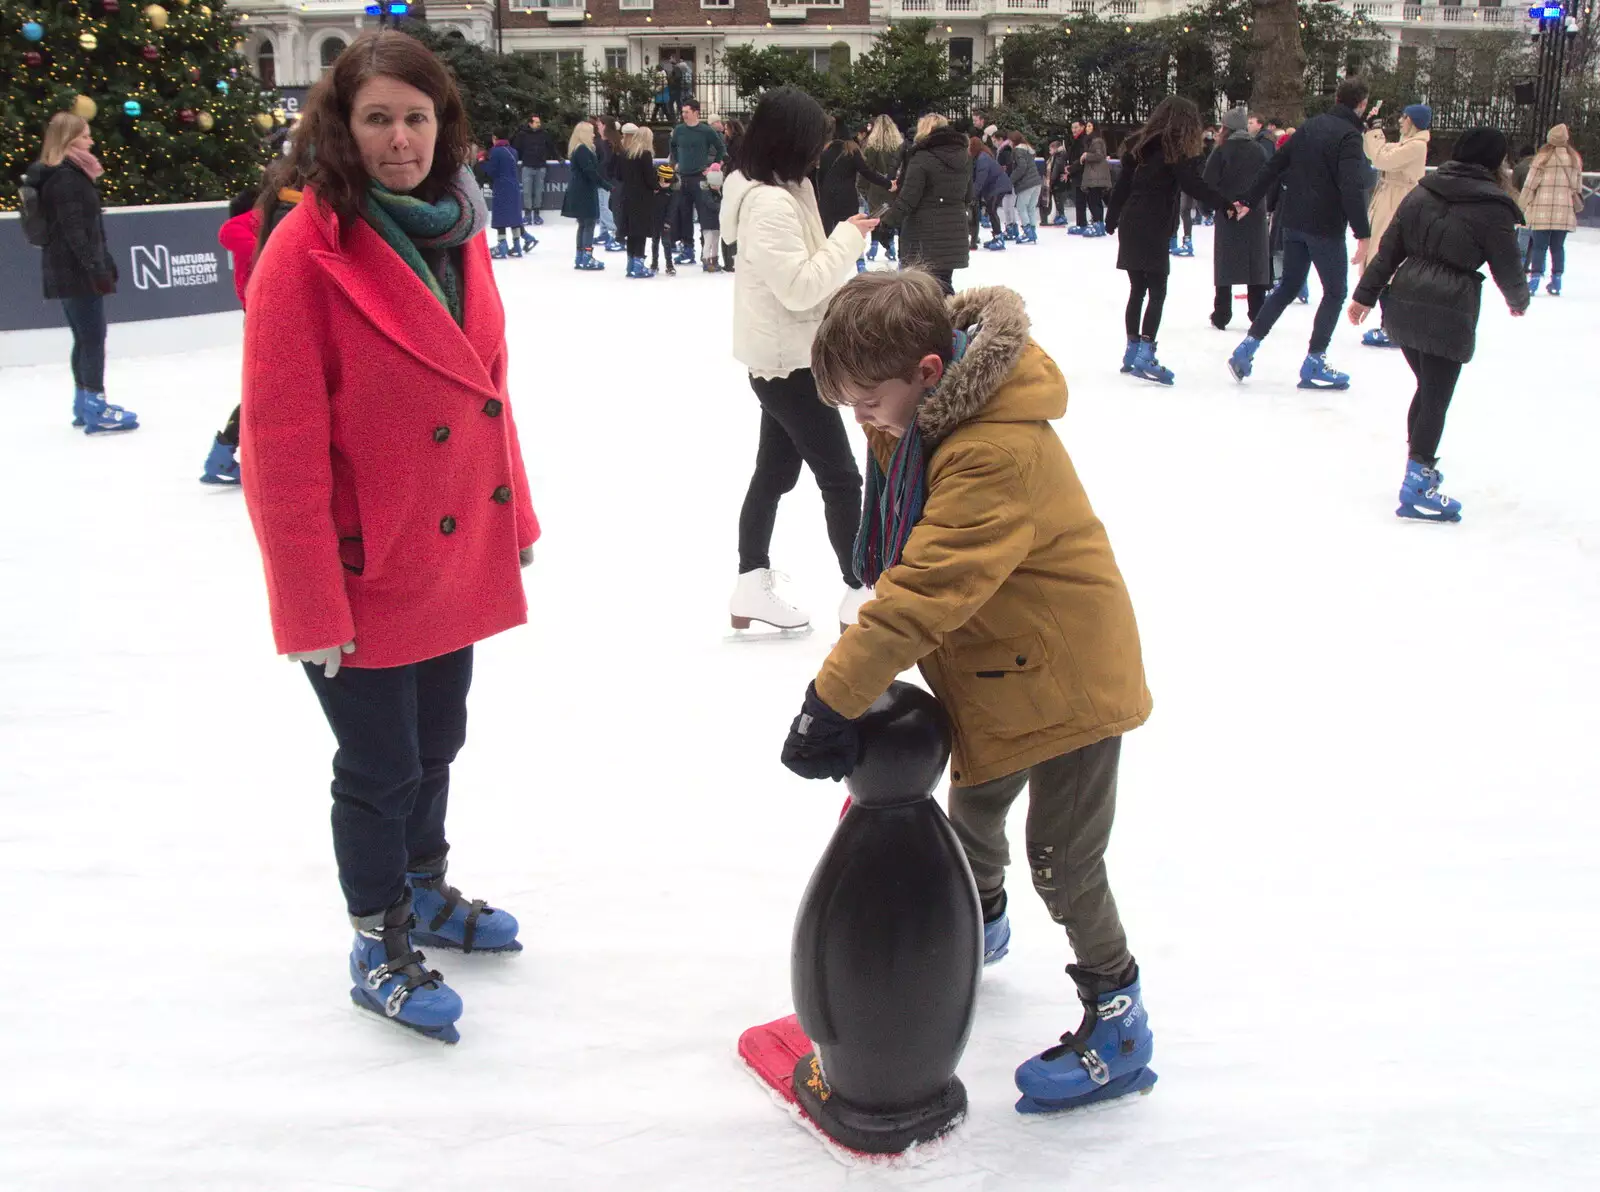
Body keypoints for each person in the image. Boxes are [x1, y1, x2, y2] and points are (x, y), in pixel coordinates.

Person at [784, 270, 1155, 1113]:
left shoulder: (993, 449)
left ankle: (1119, 1015)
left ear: (926, 370)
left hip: (1070, 680)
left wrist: (830, 699)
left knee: (1064, 861)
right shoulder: (920, 413)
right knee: (976, 812)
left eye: (868, 400)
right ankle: (975, 929)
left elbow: (926, 589)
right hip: (1000, 667)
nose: (860, 420)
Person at [240, 29, 540, 1044]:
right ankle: (378, 938)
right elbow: (279, 449)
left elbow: (487, 390)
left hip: (447, 544)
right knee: (378, 767)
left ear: (441, 125)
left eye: (416, 117)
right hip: (361, 568)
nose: (400, 138)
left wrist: (517, 516)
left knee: (438, 740)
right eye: (378, 119)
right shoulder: (305, 251)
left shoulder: (457, 227)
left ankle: (425, 888)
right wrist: (309, 602)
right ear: (344, 127)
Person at [720, 86, 874, 635]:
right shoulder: (769, 203)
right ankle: (860, 591)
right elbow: (800, 286)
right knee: (840, 476)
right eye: (815, 141)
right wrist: (847, 240)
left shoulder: (789, 189)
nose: (820, 151)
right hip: (789, 362)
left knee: (776, 472)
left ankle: (750, 583)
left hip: (786, 356)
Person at [1348, 127, 1527, 523]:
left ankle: (1417, 464)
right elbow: (1507, 262)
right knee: (1435, 396)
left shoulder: (1424, 190)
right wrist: (1518, 299)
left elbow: (1390, 248)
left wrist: (1365, 295)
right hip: (1448, 307)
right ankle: (1418, 480)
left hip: (1405, 301)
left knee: (1428, 388)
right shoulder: (1494, 205)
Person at [1230, 76, 1374, 389]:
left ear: (1337, 97)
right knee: (1335, 292)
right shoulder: (1349, 136)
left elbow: (1275, 164)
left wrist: (1248, 199)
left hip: (1293, 221)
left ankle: (1247, 347)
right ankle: (1315, 360)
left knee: (1287, 287)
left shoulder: (1311, 126)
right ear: (1361, 105)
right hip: (1324, 226)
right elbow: (1351, 185)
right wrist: (1363, 233)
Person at [1106, 96, 1235, 385]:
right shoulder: (1174, 147)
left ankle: (1131, 350)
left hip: (1131, 221)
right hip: (1153, 223)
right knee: (1157, 291)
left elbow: (1123, 185)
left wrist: (1112, 218)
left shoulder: (1139, 144)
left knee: (1137, 289)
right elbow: (1192, 185)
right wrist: (1223, 202)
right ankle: (1145, 354)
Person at [23, 112, 138, 434]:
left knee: (84, 338)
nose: (92, 141)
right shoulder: (67, 178)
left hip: (68, 269)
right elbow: (76, 230)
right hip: (76, 271)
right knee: (92, 339)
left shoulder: (64, 174)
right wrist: (94, 267)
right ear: (70, 139)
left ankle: (84, 402)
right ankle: (95, 406)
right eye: (86, 136)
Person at [204, 181, 264, 485]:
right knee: (264, 389)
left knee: (265, 389)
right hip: (263, 315)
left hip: (264, 312)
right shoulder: (252, 223)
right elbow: (228, 232)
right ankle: (223, 453)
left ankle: (223, 453)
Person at [882, 113, 971, 296]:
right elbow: (969, 195)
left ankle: (933, 323)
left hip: (924, 235)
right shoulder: (964, 157)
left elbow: (908, 198)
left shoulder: (922, 157)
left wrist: (887, 222)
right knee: (943, 285)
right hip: (954, 232)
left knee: (921, 291)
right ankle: (950, 320)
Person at [1204, 108, 1272, 329]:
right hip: (1254, 213)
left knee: (1225, 263)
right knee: (1255, 263)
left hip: (1228, 212)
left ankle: (1222, 312)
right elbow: (1268, 179)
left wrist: (1211, 205)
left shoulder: (1221, 150)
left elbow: (1208, 181)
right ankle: (1258, 311)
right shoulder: (1259, 150)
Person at [818, 125, 895, 275]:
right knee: (853, 232)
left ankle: (828, 268)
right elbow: (867, 172)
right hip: (847, 198)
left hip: (826, 199)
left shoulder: (823, 152)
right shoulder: (851, 151)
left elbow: (817, 177)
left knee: (827, 233)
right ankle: (860, 264)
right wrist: (888, 184)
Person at [1520, 123, 1583, 297]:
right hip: (1564, 212)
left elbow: (1530, 185)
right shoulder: (1574, 159)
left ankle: (1534, 282)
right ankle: (1556, 280)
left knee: (1539, 247)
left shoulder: (1542, 158)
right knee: (1557, 247)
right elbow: (1577, 187)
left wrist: (1521, 205)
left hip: (1541, 210)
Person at [668, 99, 726, 266]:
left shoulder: (706, 131)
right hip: (683, 177)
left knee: (704, 215)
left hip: (700, 179)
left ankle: (706, 252)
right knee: (684, 215)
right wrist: (676, 162)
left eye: (686, 112)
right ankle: (687, 249)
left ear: (696, 112)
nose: (683, 115)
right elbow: (672, 147)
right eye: (683, 112)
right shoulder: (679, 130)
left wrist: (713, 166)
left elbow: (721, 148)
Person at [562, 120, 607, 271]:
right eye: (591, 132)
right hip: (584, 191)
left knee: (584, 224)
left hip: (581, 190)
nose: (594, 134)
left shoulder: (580, 149)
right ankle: (586, 256)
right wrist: (606, 185)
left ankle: (580, 256)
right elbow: (590, 172)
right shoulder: (582, 150)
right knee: (589, 223)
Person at [860, 114, 904, 265]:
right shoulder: (899, 146)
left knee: (875, 218)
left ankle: (873, 246)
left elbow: (866, 170)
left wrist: (862, 189)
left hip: (876, 188)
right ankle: (890, 245)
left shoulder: (872, 147)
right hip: (894, 187)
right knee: (889, 218)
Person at [618, 122, 659, 279]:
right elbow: (649, 179)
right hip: (642, 199)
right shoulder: (645, 155)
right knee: (640, 232)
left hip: (627, 196)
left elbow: (619, 175)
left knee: (631, 233)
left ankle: (630, 265)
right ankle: (638, 266)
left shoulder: (625, 154)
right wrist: (657, 185)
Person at [483, 133, 532, 260]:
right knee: (514, 216)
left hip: (501, 186)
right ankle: (517, 246)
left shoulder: (495, 152)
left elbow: (492, 170)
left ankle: (502, 245)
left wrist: (483, 162)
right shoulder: (513, 151)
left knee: (501, 217)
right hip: (514, 186)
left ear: (495, 138)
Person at [970, 135, 1014, 253]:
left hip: (999, 186)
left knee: (992, 210)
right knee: (991, 210)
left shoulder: (982, 159)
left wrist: (972, 195)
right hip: (997, 186)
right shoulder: (982, 156)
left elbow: (980, 180)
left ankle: (998, 238)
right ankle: (996, 237)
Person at [509, 112, 555, 226]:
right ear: (530, 123)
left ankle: (537, 214)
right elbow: (515, 148)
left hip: (540, 167)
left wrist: (559, 158)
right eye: (536, 122)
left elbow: (551, 147)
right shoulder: (522, 135)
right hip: (527, 166)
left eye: (539, 122)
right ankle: (528, 215)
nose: (539, 124)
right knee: (527, 192)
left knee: (538, 191)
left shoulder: (544, 134)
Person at [594, 117, 625, 253]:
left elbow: (606, 163)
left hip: (606, 180)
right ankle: (604, 232)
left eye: (599, 124)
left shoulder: (607, 143)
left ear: (605, 126)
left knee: (602, 206)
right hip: (607, 179)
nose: (597, 126)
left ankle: (616, 231)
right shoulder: (606, 142)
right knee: (603, 205)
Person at [1008, 133, 1043, 245]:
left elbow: (1021, 166)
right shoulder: (1028, 150)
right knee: (1031, 208)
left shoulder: (1018, 151)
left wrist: (1011, 179)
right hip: (1037, 182)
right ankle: (1032, 232)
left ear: (1013, 141)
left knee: (1021, 207)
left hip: (1026, 184)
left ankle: (1028, 233)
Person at [1079, 124, 1112, 237]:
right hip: (1095, 176)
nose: (1087, 128)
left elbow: (1099, 155)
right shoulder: (1094, 140)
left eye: (1089, 126)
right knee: (1096, 201)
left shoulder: (1096, 141)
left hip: (1096, 176)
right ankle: (1099, 226)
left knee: (1093, 201)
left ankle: (1098, 226)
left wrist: (1086, 155)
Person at [1066, 119, 1090, 232]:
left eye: (1076, 127)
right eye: (1072, 128)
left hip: (1082, 174)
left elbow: (1081, 159)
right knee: (1079, 200)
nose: (1074, 130)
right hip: (1077, 174)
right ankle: (1081, 223)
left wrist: (1071, 168)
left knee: (1081, 200)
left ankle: (1082, 224)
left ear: (1082, 127)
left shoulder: (1083, 140)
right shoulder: (1075, 140)